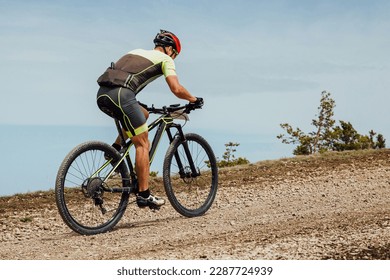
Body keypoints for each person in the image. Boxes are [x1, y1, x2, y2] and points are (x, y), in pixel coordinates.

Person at [96, 29, 203, 209]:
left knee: (143, 113)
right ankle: (144, 194)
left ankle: (115, 149)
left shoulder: (135, 51)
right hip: (123, 95)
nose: (174, 58)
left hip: (102, 95)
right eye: (175, 54)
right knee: (143, 144)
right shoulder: (165, 59)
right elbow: (176, 89)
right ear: (169, 49)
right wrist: (193, 99)